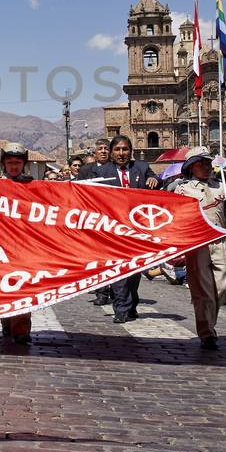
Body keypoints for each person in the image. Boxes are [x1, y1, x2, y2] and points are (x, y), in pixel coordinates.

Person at [167, 148, 226, 348]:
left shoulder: (222, 188)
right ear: (191, 167)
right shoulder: (183, 190)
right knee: (203, 291)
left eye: (207, 163)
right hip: (198, 245)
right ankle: (207, 332)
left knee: (223, 286)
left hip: (219, 242)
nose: (205, 166)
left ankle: (209, 323)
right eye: (200, 163)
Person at [88, 136, 152, 323]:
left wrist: (153, 180)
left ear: (130, 151)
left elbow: (155, 179)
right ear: (111, 152)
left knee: (134, 271)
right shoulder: (102, 172)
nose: (121, 153)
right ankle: (121, 308)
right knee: (118, 270)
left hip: (136, 230)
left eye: (125, 149)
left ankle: (131, 304)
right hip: (112, 230)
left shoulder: (140, 168)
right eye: (117, 150)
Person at [0, 142, 34, 344]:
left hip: (24, 248)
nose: (13, 167)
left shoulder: (33, 186)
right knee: (3, 288)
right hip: (0, 247)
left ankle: (21, 330)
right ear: (3, 163)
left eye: (17, 163)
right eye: (10, 163)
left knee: (22, 288)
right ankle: (6, 322)